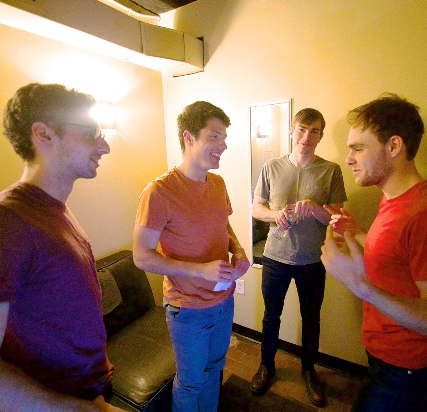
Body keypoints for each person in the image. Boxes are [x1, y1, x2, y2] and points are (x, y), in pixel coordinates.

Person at [0, 83, 123, 411]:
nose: (105, 146)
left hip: (92, 389)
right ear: (43, 133)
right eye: (90, 133)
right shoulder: (8, 220)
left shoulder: (56, 209)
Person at [133, 101, 250, 412]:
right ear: (188, 137)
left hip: (223, 300)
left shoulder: (218, 183)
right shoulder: (159, 192)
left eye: (224, 137)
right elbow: (141, 257)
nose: (224, 145)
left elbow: (223, 225)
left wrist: (238, 249)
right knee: (191, 382)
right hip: (188, 310)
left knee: (215, 369)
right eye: (214, 136)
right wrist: (200, 271)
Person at [321, 93, 427, 412]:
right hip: (382, 355)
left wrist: (359, 285)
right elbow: (398, 258)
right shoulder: (393, 198)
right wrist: (357, 233)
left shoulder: (421, 214)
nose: (348, 158)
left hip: (405, 370)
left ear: (393, 146)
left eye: (358, 148)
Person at [251, 108, 347, 407]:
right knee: (271, 317)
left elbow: (338, 219)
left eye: (314, 131)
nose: (307, 136)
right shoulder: (271, 166)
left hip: (312, 261)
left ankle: (309, 371)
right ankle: (266, 366)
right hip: (275, 257)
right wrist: (275, 214)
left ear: (321, 135)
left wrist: (316, 208)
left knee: (311, 319)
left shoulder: (331, 170)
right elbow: (256, 208)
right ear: (292, 131)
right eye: (302, 129)